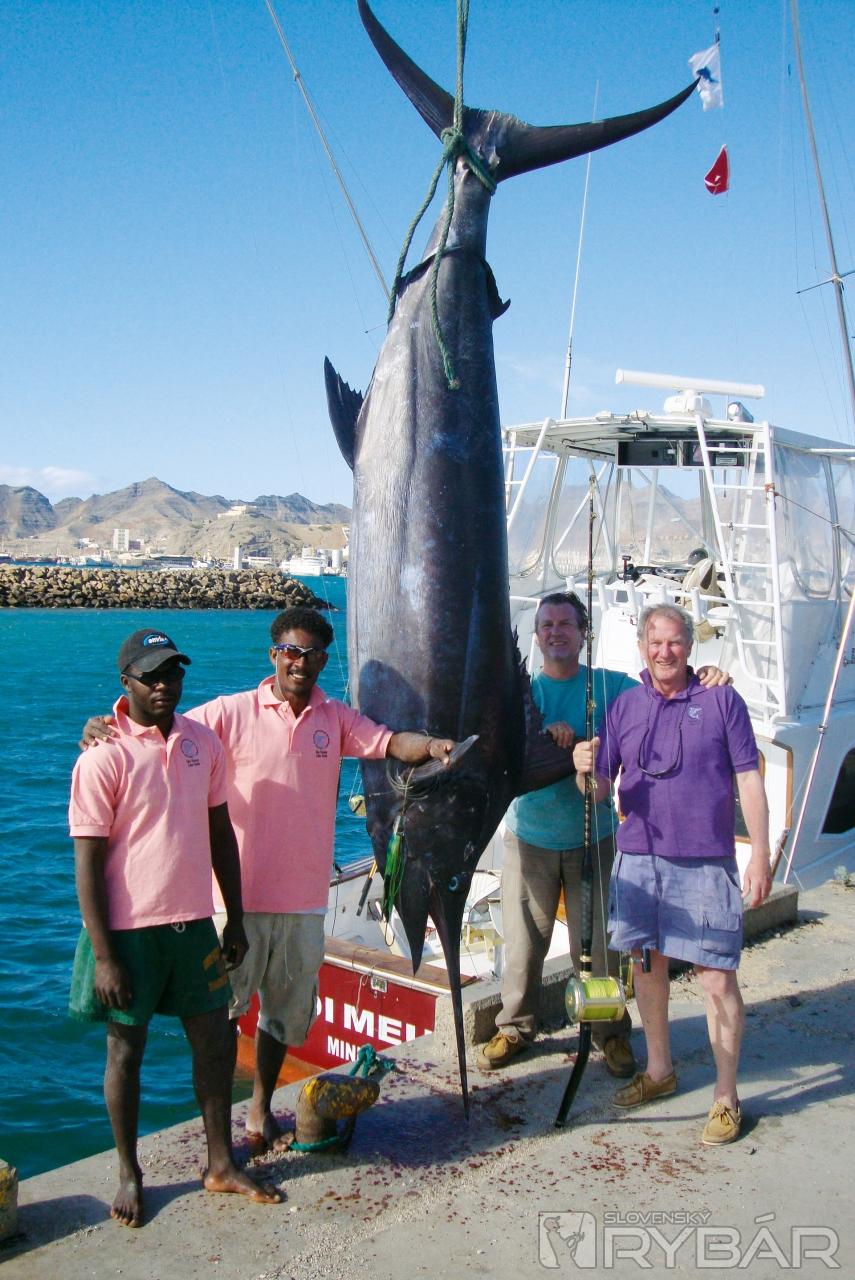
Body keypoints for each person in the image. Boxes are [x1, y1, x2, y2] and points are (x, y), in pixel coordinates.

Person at [82, 607, 456, 1153]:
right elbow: (160, 723)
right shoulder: (229, 712)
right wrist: (103, 724)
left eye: (311, 654)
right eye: (290, 652)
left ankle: (259, 1111)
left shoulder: (335, 718)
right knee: (217, 1023)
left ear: (323, 661)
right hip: (235, 901)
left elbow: (390, 742)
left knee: (284, 1016)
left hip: (304, 900)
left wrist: (435, 746)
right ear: (273, 655)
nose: (299, 663)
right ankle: (216, 1143)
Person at [69, 628, 281, 1228]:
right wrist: (105, 955)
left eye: (173, 673)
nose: (165, 685)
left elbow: (220, 834)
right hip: (130, 932)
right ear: (126, 683)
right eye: (152, 676)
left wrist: (234, 917)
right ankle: (129, 1172)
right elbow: (87, 863)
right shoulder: (102, 756)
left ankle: (220, 1163)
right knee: (125, 1050)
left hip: (194, 923)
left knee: (214, 1042)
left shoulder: (201, 743)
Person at [477, 592, 732, 1076]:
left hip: (595, 840)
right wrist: (544, 736)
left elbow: (665, 688)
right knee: (523, 946)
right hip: (530, 839)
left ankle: (610, 1033)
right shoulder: (522, 695)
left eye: (566, 624)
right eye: (547, 625)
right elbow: (503, 755)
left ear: (583, 634)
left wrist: (706, 678)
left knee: (600, 950)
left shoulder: (611, 687)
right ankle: (515, 1027)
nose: (556, 632)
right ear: (537, 637)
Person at [573, 603, 772, 1145]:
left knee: (717, 979)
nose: (665, 652)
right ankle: (659, 1071)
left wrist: (759, 854)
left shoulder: (722, 700)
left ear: (689, 646)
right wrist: (583, 770)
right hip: (638, 861)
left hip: (706, 862)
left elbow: (749, 779)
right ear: (642, 646)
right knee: (646, 968)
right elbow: (599, 787)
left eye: (675, 642)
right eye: (655, 642)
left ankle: (726, 1097)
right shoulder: (624, 706)